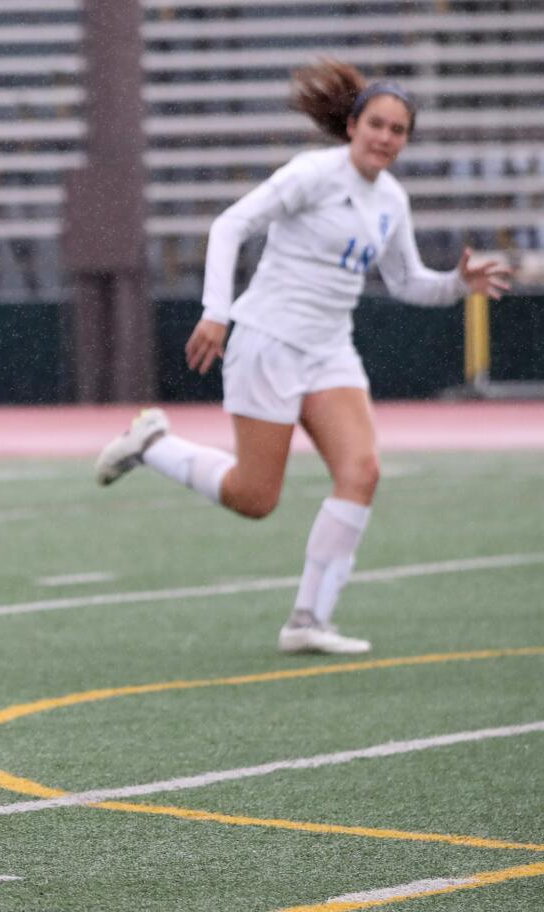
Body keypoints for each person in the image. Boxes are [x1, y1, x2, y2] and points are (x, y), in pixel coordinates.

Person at [95, 59, 509, 655]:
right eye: (378, 125)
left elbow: (408, 281)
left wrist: (455, 283)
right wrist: (218, 311)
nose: (386, 139)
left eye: (398, 131)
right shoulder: (313, 175)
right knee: (255, 498)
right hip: (268, 341)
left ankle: (309, 620)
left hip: (330, 349)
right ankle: (154, 444)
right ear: (352, 126)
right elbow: (230, 225)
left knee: (362, 471)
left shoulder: (391, 199)